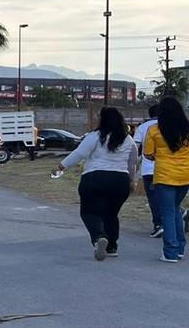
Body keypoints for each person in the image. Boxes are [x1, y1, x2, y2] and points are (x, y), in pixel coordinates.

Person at [55, 106, 140, 261]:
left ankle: (98, 237)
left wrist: (62, 166)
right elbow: (133, 162)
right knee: (111, 214)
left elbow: (80, 153)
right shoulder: (128, 139)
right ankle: (112, 246)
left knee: (89, 212)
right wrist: (131, 181)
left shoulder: (96, 136)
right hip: (120, 180)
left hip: (95, 177)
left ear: (103, 119)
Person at [142, 96, 189, 263]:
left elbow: (147, 154)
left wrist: (160, 156)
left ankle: (170, 252)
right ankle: (180, 248)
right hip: (185, 176)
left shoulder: (154, 130)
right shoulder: (187, 129)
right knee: (175, 209)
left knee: (167, 212)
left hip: (164, 176)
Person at [133, 103, 162, 237]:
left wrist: (136, 162)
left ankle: (158, 224)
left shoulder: (143, 127)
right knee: (167, 196)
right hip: (167, 168)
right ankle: (180, 214)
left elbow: (135, 147)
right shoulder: (171, 125)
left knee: (153, 198)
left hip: (149, 168)